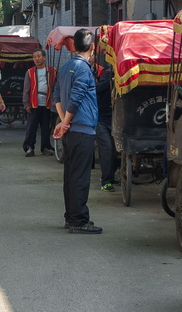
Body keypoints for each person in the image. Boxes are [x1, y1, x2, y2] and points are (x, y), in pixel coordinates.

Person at [53, 29, 102, 234]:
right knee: (80, 177)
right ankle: (78, 219)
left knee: (71, 175)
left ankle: (71, 216)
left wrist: (63, 120)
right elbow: (76, 97)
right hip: (81, 128)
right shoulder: (83, 69)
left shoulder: (66, 66)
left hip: (71, 129)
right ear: (92, 47)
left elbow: (56, 94)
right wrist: (65, 121)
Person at [22, 49, 57, 157]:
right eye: (34, 57)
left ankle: (45, 147)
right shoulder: (30, 72)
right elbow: (26, 89)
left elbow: (55, 87)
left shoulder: (52, 71)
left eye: (39, 56)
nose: (37, 59)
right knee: (31, 127)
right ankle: (29, 147)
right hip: (34, 103)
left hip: (47, 103)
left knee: (46, 127)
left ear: (44, 57)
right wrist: (26, 103)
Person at [95, 59, 119, 191]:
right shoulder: (107, 76)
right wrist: (112, 81)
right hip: (102, 119)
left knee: (118, 150)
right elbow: (95, 89)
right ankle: (106, 181)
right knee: (107, 149)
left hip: (118, 120)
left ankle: (111, 175)